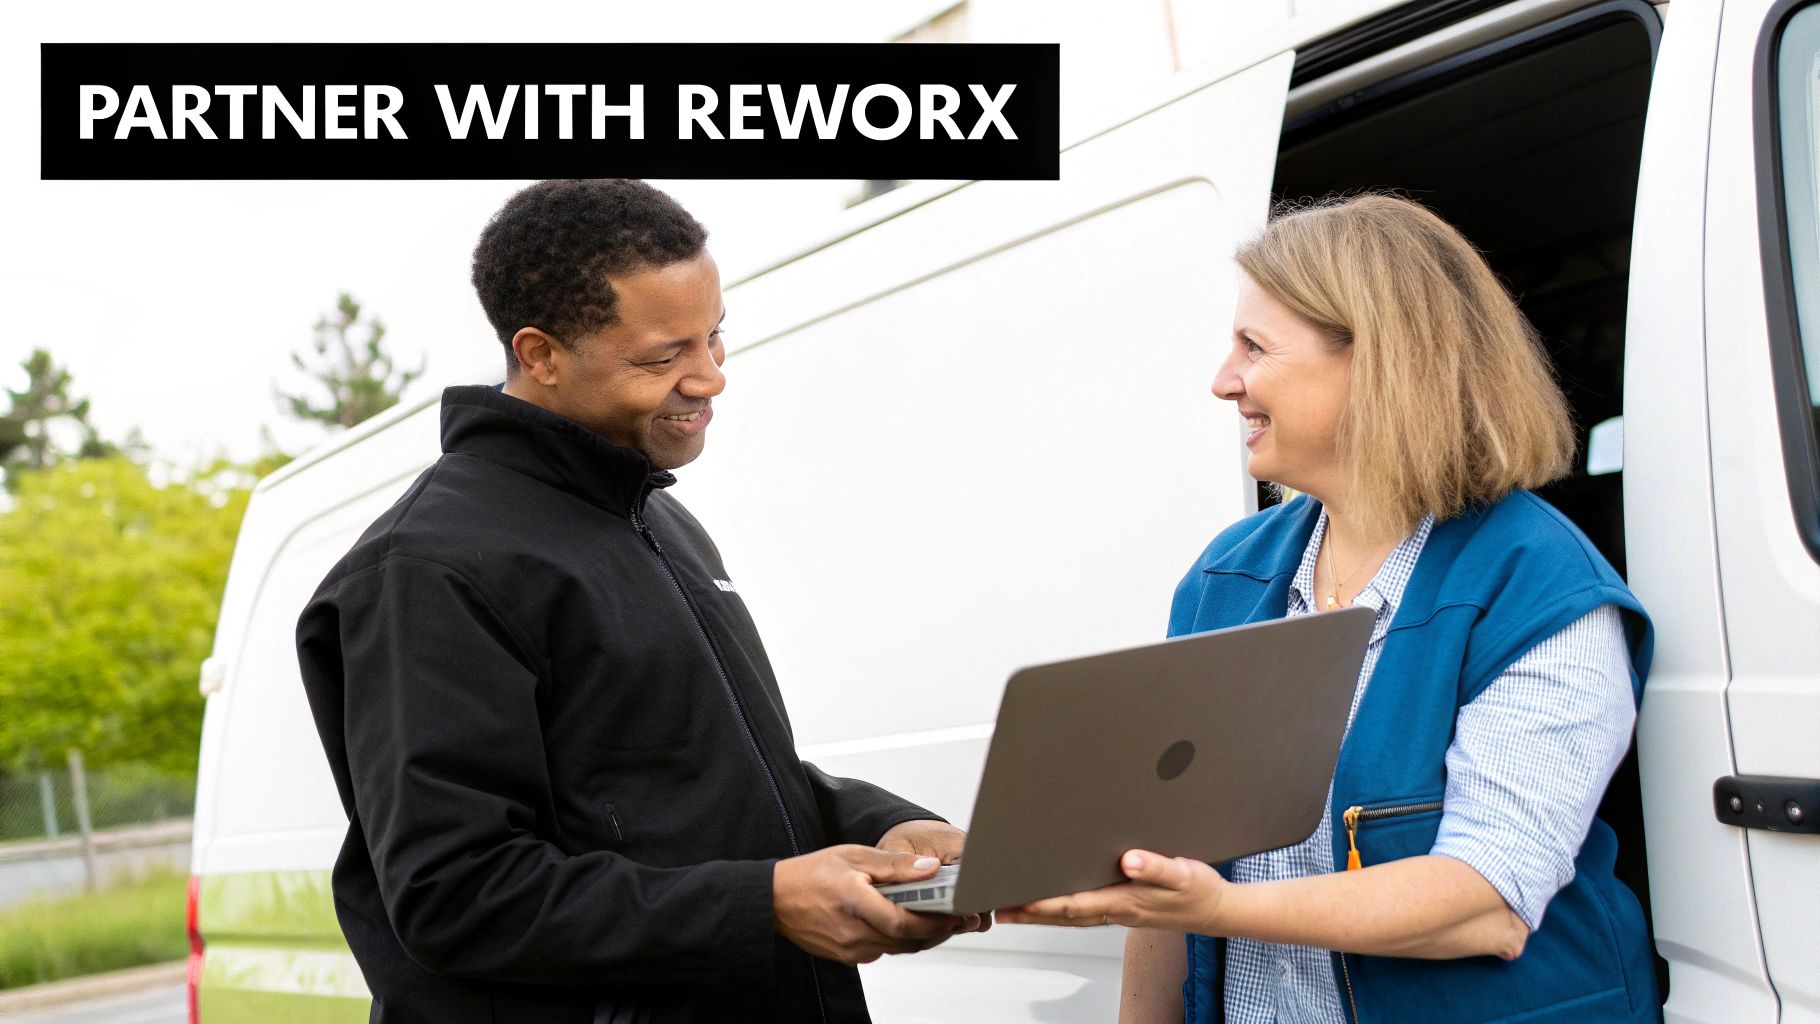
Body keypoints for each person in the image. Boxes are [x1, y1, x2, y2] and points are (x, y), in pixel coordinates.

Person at [295, 178, 984, 1024]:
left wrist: (884, 828)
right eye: (663, 358)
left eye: (715, 337)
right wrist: (762, 902)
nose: (709, 378)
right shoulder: (426, 570)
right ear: (541, 354)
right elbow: (457, 893)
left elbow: (697, 784)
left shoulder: (656, 517)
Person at [996, 194, 1660, 1024]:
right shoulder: (1227, 577)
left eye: (1254, 347)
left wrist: (1216, 908)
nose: (1223, 381)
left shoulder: (1537, 584)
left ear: (1379, 359)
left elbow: (1485, 902)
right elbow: (1157, 862)